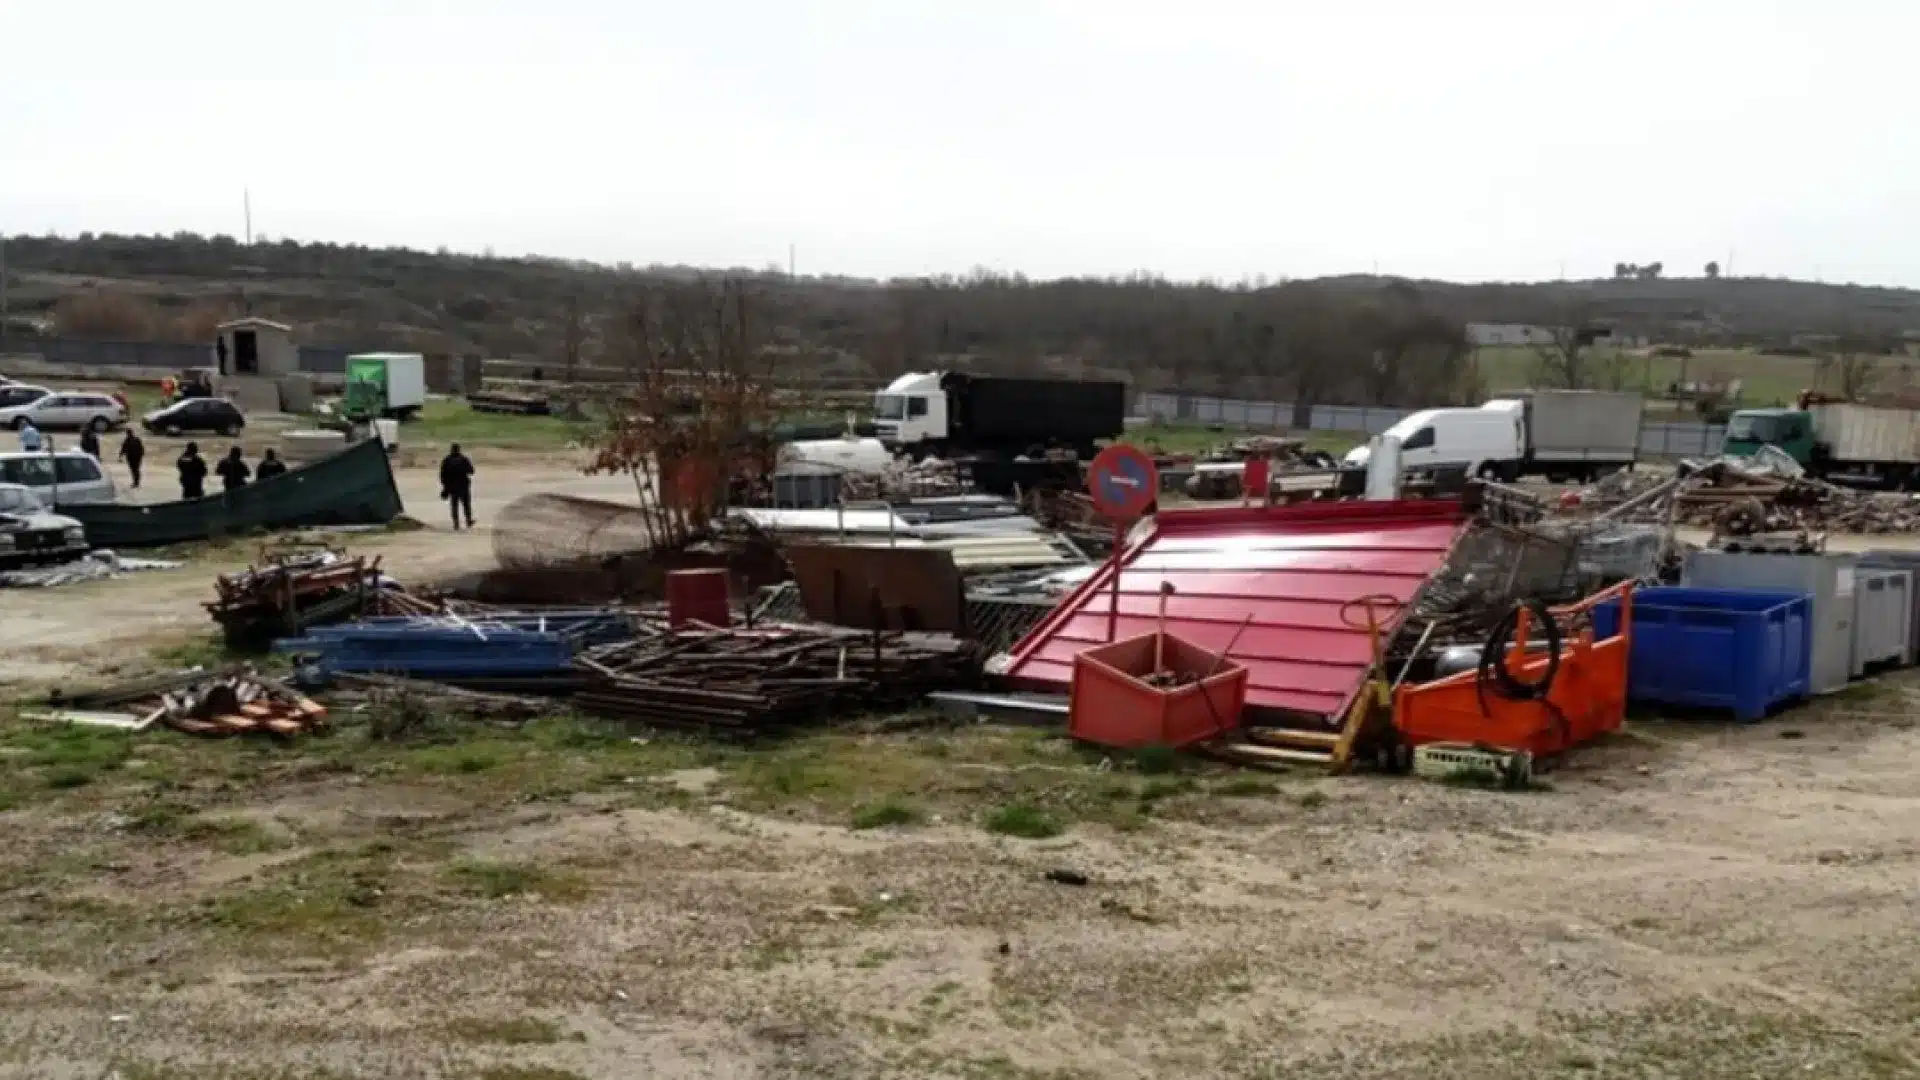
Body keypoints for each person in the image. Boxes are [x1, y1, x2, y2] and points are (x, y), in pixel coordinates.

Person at [439, 442, 476, 530]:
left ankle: (456, 523)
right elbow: (471, 471)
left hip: (452, 487)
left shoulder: (447, 460)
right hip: (463, 486)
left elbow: (442, 474)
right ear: (459, 450)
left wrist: (445, 486)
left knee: (454, 505)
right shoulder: (464, 459)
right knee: (466, 505)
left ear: (451, 450)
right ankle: (468, 521)